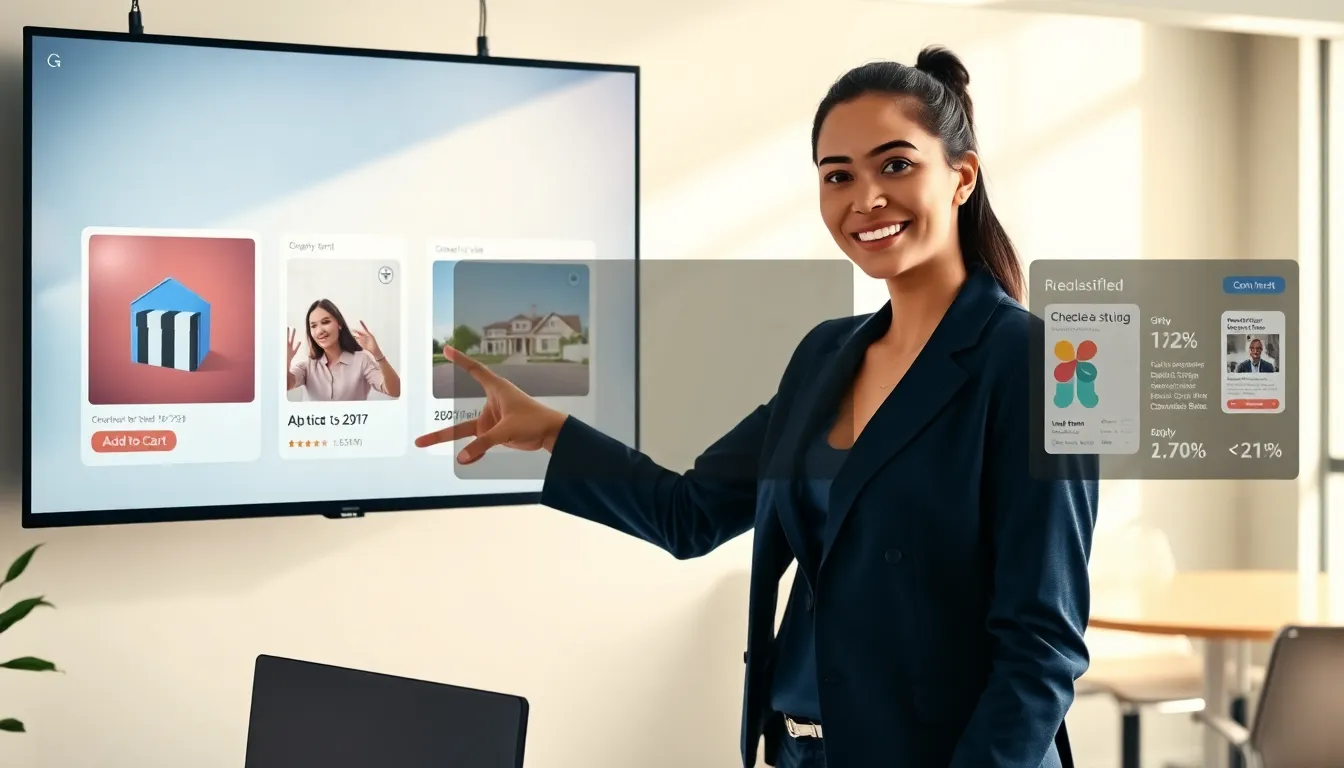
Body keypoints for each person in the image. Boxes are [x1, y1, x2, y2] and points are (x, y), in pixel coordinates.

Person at [416, 46, 1098, 768]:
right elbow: (692, 514)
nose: (864, 198)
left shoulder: (1043, 366)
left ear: (961, 177)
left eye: (895, 165)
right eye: (838, 176)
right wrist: (555, 433)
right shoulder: (824, 358)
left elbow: (1042, 648)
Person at [287, 298, 401, 401]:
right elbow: (286, 385)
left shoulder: (362, 360)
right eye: (313, 326)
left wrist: (377, 354)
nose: (319, 331)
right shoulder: (307, 366)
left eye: (325, 322)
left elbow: (395, 391)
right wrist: (286, 362)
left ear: (339, 324)